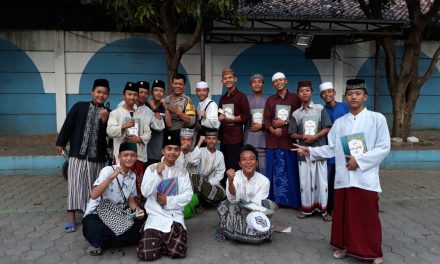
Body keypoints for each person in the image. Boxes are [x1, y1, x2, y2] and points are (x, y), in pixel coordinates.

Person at [293, 79, 390, 264]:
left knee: (367, 216)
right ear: (345, 97)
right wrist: (310, 151)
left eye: (358, 93)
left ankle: (372, 251)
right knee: (344, 215)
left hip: (365, 177)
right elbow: (331, 149)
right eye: (350, 94)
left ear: (365, 97)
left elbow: (384, 147)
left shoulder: (377, 119)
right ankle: (345, 246)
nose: (353, 97)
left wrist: (360, 160)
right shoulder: (340, 123)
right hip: (344, 177)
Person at [56, 78, 111, 233]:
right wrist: (60, 142)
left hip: (97, 157)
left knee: (93, 185)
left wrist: (105, 119)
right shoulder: (79, 107)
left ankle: (89, 213)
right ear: (92, 92)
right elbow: (68, 125)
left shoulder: (109, 112)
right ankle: (70, 216)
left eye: (104, 93)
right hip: (77, 154)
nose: (101, 95)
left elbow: (108, 135)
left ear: (108, 95)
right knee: (75, 184)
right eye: (98, 92)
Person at [82, 142, 146, 256]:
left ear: (136, 157)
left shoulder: (133, 175)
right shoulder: (107, 170)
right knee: (92, 225)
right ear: (119, 157)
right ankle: (104, 240)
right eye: (125, 155)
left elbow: (131, 199)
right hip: (100, 213)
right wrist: (111, 177)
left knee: (143, 216)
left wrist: (137, 210)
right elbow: (94, 195)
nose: (129, 158)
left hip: (119, 215)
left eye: (132, 155)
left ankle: (108, 240)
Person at [138, 132, 193, 261]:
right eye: (169, 149)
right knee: (146, 254)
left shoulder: (182, 172)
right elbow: (145, 192)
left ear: (179, 151)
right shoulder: (151, 169)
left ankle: (163, 241)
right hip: (155, 216)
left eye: (176, 149)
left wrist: (168, 200)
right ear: (163, 150)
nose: (172, 152)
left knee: (178, 252)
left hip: (174, 217)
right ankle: (162, 240)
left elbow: (188, 195)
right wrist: (157, 174)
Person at [288, 80, 332, 220]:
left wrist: (315, 137)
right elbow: (291, 134)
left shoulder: (320, 109)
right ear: (298, 94)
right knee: (305, 182)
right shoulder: (296, 114)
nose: (304, 93)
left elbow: (327, 127)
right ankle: (306, 209)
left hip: (319, 151)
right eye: (301, 91)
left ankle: (324, 210)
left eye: (307, 90)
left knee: (322, 182)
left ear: (312, 93)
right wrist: (303, 136)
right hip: (303, 153)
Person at [217, 144, 277, 244]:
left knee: (269, 204)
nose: (248, 162)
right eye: (244, 159)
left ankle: (235, 231)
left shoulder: (264, 181)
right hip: (236, 208)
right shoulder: (234, 177)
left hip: (254, 210)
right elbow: (233, 199)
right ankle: (236, 230)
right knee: (224, 206)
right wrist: (231, 181)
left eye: (252, 159)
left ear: (256, 163)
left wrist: (250, 213)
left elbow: (258, 203)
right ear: (240, 164)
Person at [107, 82, 152, 206]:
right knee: (121, 183)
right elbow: (110, 131)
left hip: (138, 156)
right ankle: (121, 208)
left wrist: (139, 139)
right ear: (123, 95)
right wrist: (123, 127)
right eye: (129, 94)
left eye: (135, 95)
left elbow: (148, 133)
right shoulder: (116, 113)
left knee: (137, 184)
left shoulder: (142, 114)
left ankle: (136, 209)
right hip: (122, 156)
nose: (132, 97)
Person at [263, 72, 301, 208]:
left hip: (288, 141)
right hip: (273, 141)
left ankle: (292, 201)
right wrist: (272, 129)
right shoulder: (270, 100)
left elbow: (298, 117)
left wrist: (284, 123)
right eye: (275, 81)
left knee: (290, 171)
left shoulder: (295, 99)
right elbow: (266, 119)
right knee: (273, 172)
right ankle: (274, 200)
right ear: (273, 84)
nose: (278, 83)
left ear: (286, 81)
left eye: (281, 80)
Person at [319, 81, 349, 220]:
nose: (327, 95)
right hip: (330, 147)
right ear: (321, 96)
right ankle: (330, 209)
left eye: (330, 91)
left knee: (348, 177)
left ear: (334, 93)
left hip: (346, 145)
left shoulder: (345, 107)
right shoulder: (321, 110)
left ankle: (347, 208)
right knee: (331, 180)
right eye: (324, 93)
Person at [218, 67, 251, 181]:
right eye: (225, 78)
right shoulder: (222, 99)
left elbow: (246, 116)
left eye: (230, 78)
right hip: (224, 138)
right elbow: (220, 114)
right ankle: (226, 193)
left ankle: (236, 194)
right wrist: (220, 117)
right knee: (224, 166)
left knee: (235, 167)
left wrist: (231, 119)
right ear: (222, 81)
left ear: (235, 79)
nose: (228, 80)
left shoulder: (241, 96)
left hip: (236, 138)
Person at [190, 129, 226, 209]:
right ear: (205, 140)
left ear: (217, 140)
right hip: (196, 183)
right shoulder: (200, 151)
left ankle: (203, 201)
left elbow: (220, 173)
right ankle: (205, 202)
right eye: (209, 138)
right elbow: (192, 160)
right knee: (195, 178)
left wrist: (208, 183)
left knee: (221, 193)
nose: (211, 141)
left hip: (210, 184)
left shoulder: (220, 154)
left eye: (214, 138)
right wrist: (199, 142)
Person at [244, 73, 268, 176]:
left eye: (259, 82)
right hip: (249, 138)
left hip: (264, 140)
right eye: (254, 82)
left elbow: (271, 119)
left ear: (263, 84)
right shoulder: (245, 99)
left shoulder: (268, 100)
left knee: (263, 169)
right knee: (249, 169)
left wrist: (262, 126)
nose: (257, 84)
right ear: (250, 85)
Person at [146, 80, 167, 166]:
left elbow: (168, 125)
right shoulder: (146, 106)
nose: (158, 93)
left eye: (161, 91)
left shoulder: (165, 107)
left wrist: (156, 108)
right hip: (147, 149)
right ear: (151, 92)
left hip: (161, 148)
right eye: (156, 90)